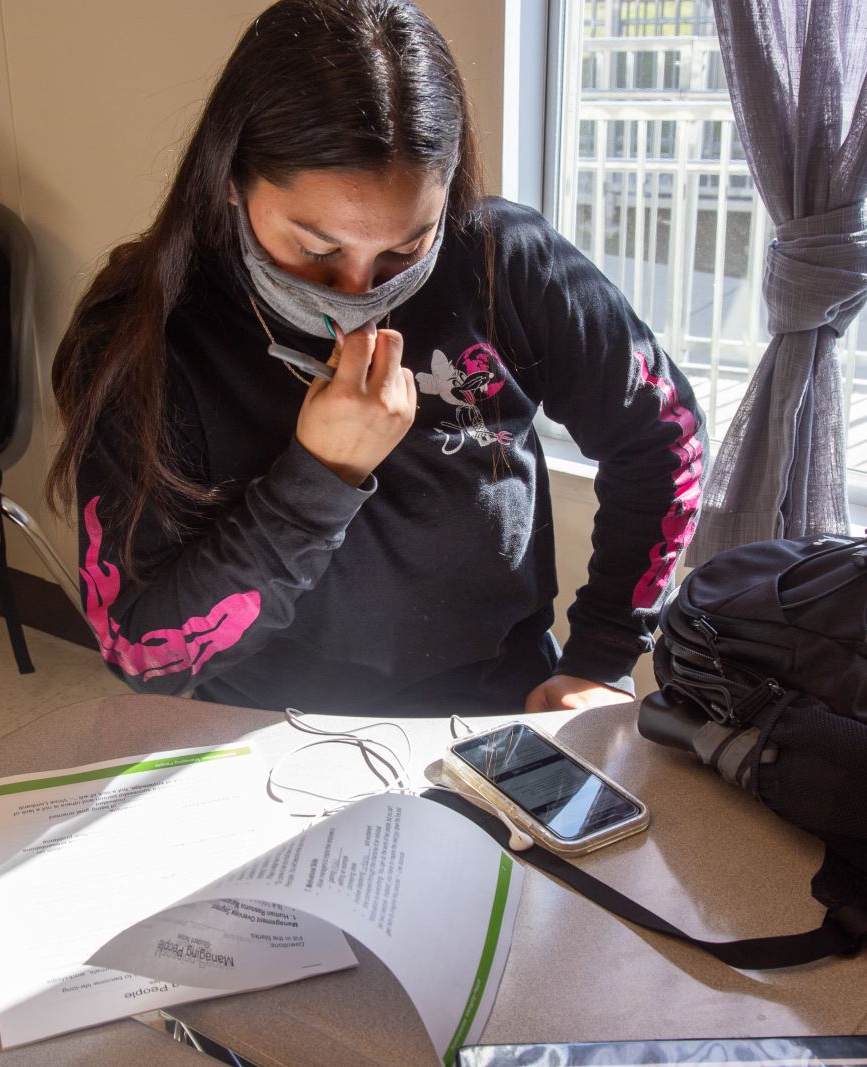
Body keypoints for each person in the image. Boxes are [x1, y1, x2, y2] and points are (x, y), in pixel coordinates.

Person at [47, 0, 704, 716]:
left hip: (496, 707)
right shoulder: (145, 328)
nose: (359, 292)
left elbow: (664, 437)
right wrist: (319, 478)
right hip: (261, 733)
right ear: (231, 179)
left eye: (402, 250)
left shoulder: (503, 262)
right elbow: (140, 647)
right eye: (316, 249)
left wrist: (603, 658)